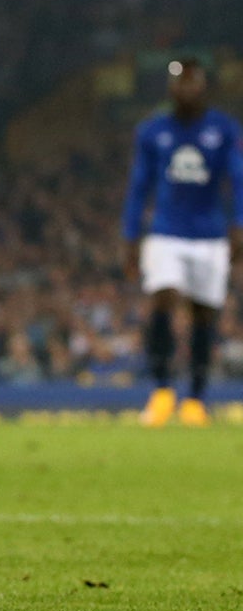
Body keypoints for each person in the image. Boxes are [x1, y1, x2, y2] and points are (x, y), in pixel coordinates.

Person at [123, 57, 241, 427]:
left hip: (209, 235)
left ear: (203, 86)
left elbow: (238, 179)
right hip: (166, 232)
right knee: (163, 296)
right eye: (180, 82)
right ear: (171, 87)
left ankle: (195, 398)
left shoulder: (222, 129)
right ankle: (161, 390)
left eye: (193, 82)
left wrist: (239, 224)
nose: (186, 89)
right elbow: (140, 185)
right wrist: (131, 235)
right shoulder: (153, 131)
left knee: (204, 313)